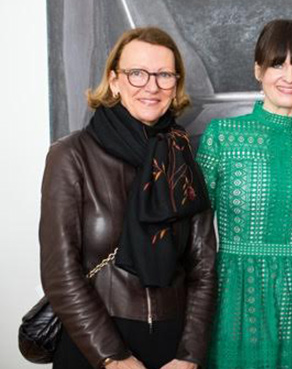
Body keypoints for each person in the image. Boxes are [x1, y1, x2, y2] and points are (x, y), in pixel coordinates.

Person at [40, 27, 217, 369]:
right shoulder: (71, 155)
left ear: (175, 84)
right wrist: (113, 359)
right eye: (137, 73)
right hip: (94, 345)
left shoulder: (182, 157)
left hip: (173, 347)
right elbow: (60, 272)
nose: (151, 86)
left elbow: (203, 266)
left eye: (164, 75)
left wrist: (189, 355)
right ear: (115, 80)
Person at [196, 19, 292, 369]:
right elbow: (194, 232)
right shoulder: (222, 135)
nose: (289, 76)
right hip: (235, 297)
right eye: (278, 63)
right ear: (258, 70)